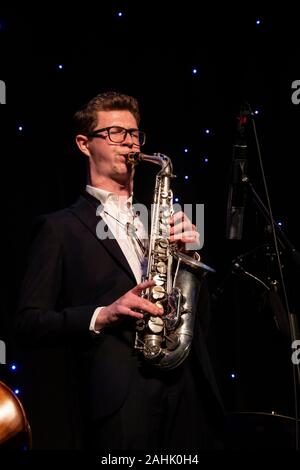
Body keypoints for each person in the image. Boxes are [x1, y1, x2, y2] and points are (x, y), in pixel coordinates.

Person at [15, 91, 224, 451]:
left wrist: (189, 256)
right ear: (84, 144)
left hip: (184, 390)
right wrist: (103, 314)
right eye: (115, 132)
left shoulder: (159, 218)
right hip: (120, 400)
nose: (129, 142)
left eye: (134, 134)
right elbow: (28, 323)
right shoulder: (58, 228)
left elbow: (198, 314)